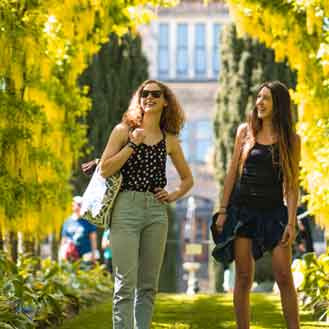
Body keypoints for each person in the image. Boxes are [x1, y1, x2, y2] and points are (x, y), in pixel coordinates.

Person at [99, 79, 193, 329]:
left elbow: (187, 179)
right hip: (125, 208)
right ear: (139, 100)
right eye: (144, 93)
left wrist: (172, 195)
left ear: (165, 101)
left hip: (156, 212)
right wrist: (132, 144)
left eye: (155, 94)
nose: (149, 97)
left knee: (148, 285)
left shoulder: (169, 140)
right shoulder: (123, 131)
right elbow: (104, 169)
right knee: (125, 284)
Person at [212, 81, 301, 329]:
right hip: (244, 212)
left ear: (279, 105)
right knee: (242, 277)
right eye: (258, 97)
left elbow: (292, 185)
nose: (259, 103)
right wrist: (223, 209)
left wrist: (291, 222)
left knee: (284, 276)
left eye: (266, 98)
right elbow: (232, 174)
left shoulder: (291, 139)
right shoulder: (245, 131)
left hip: (274, 213)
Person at [60, 196, 99, 265]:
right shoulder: (67, 221)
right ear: (73, 205)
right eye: (77, 204)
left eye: (81, 205)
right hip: (71, 256)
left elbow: (93, 238)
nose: (79, 207)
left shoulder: (88, 221)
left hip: (86, 256)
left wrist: (94, 254)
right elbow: (64, 240)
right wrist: (61, 255)